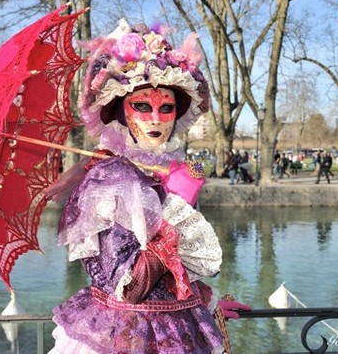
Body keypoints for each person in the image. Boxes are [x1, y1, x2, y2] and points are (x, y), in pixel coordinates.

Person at [46, 20, 249, 353]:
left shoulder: (169, 167)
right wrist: (179, 205)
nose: (155, 119)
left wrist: (208, 309)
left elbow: (183, 261)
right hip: (126, 335)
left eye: (166, 108)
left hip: (182, 325)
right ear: (122, 113)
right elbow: (129, 288)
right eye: (142, 106)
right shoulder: (111, 178)